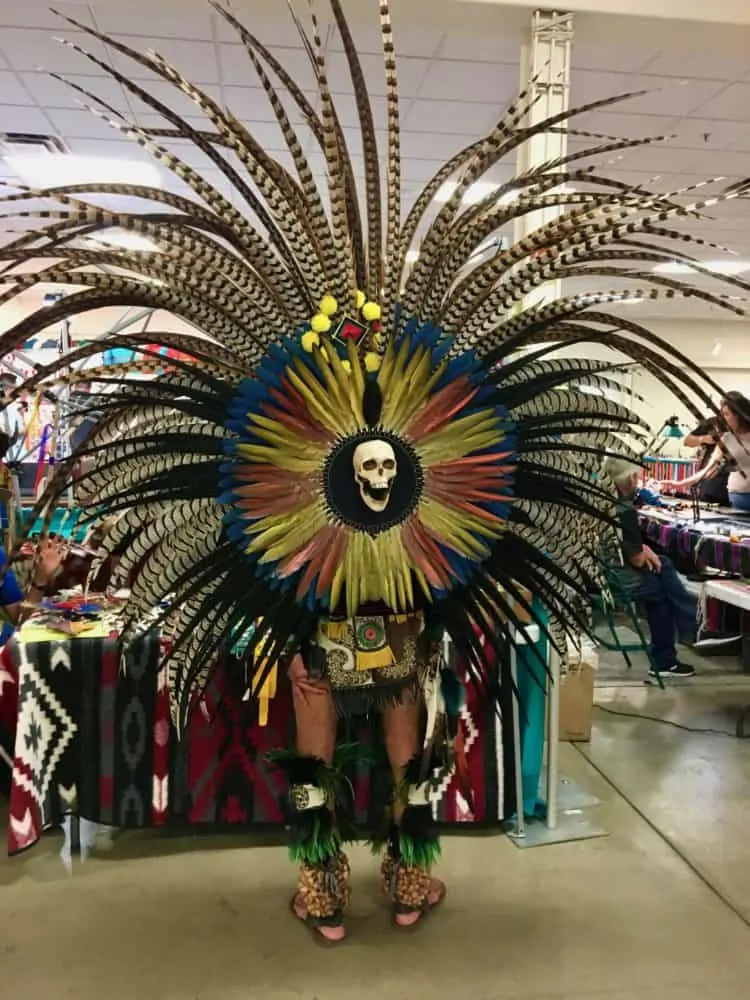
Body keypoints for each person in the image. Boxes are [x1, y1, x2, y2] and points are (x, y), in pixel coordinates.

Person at [0, 0, 742, 945]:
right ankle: (352, 871)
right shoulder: (293, 440)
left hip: (395, 599)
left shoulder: (429, 449)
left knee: (390, 719)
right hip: (326, 600)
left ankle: (376, 868)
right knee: (361, 717)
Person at [603, 457, 701, 678]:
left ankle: (686, 624)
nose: (638, 482)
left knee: (663, 565)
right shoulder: (624, 510)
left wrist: (644, 549)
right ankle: (681, 636)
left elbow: (629, 548)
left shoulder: (603, 501)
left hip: (603, 572)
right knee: (663, 592)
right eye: (636, 477)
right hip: (616, 578)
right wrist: (643, 552)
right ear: (628, 478)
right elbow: (637, 559)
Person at [662, 394, 750, 511]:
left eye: (727, 414)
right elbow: (707, 470)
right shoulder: (726, 439)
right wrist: (679, 483)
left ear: (739, 415)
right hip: (737, 497)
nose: (723, 418)